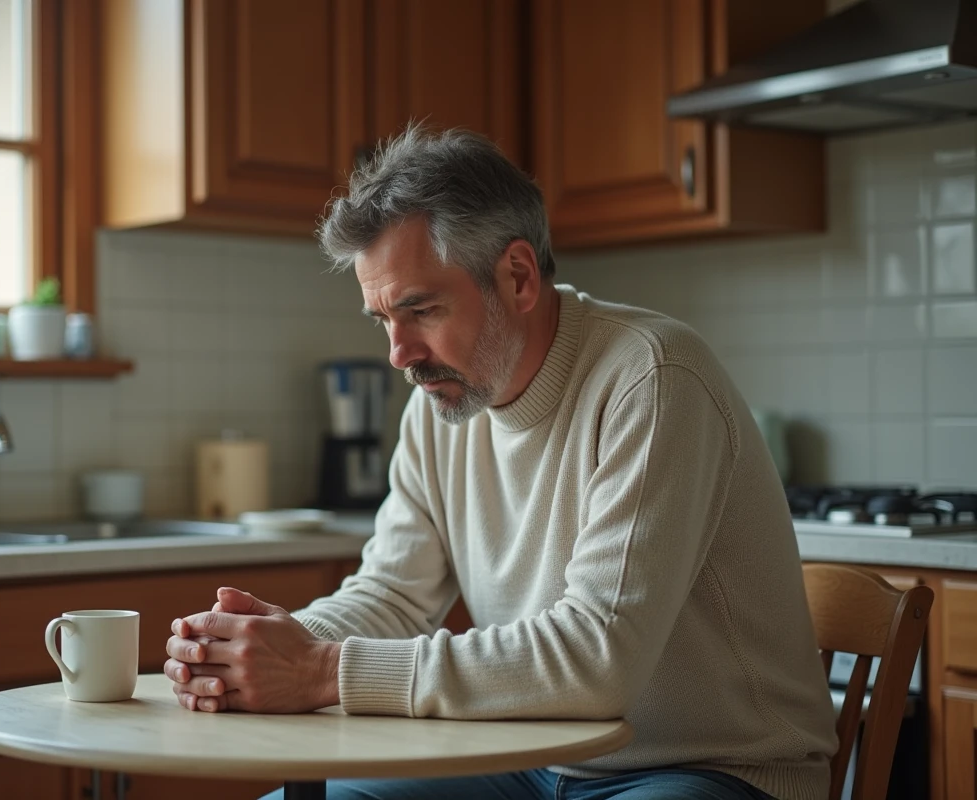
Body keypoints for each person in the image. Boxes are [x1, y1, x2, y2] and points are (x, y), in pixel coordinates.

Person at [165, 125, 837, 800]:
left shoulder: (652, 379)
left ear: (517, 276)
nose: (399, 353)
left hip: (711, 769)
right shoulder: (440, 406)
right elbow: (395, 594)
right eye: (382, 320)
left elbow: (597, 657)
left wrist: (320, 671)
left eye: (420, 310)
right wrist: (258, 648)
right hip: (529, 752)